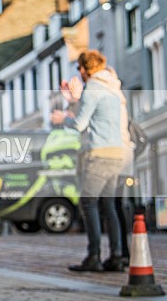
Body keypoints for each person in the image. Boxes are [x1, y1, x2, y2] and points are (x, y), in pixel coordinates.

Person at [51, 50, 129, 272]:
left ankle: (93, 256)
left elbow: (80, 124)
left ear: (84, 69)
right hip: (117, 153)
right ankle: (116, 255)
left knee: (88, 202)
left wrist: (63, 117)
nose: (79, 73)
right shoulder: (112, 88)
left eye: (79, 69)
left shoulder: (93, 88)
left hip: (99, 154)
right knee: (109, 205)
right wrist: (75, 101)